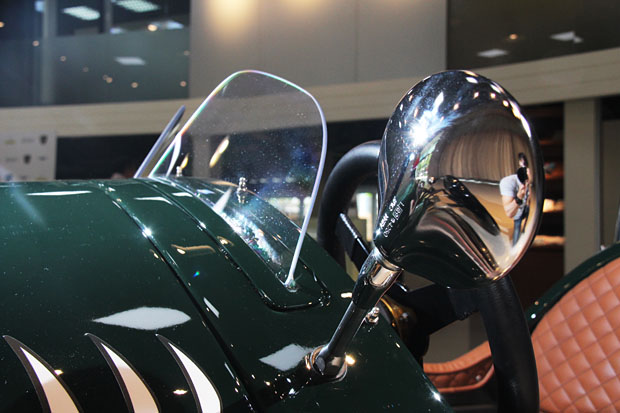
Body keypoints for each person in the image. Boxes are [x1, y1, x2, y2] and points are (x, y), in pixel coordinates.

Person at [500, 166, 529, 245]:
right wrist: (519, 197)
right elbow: (509, 213)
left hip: (528, 209)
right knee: (517, 229)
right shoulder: (508, 182)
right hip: (518, 213)